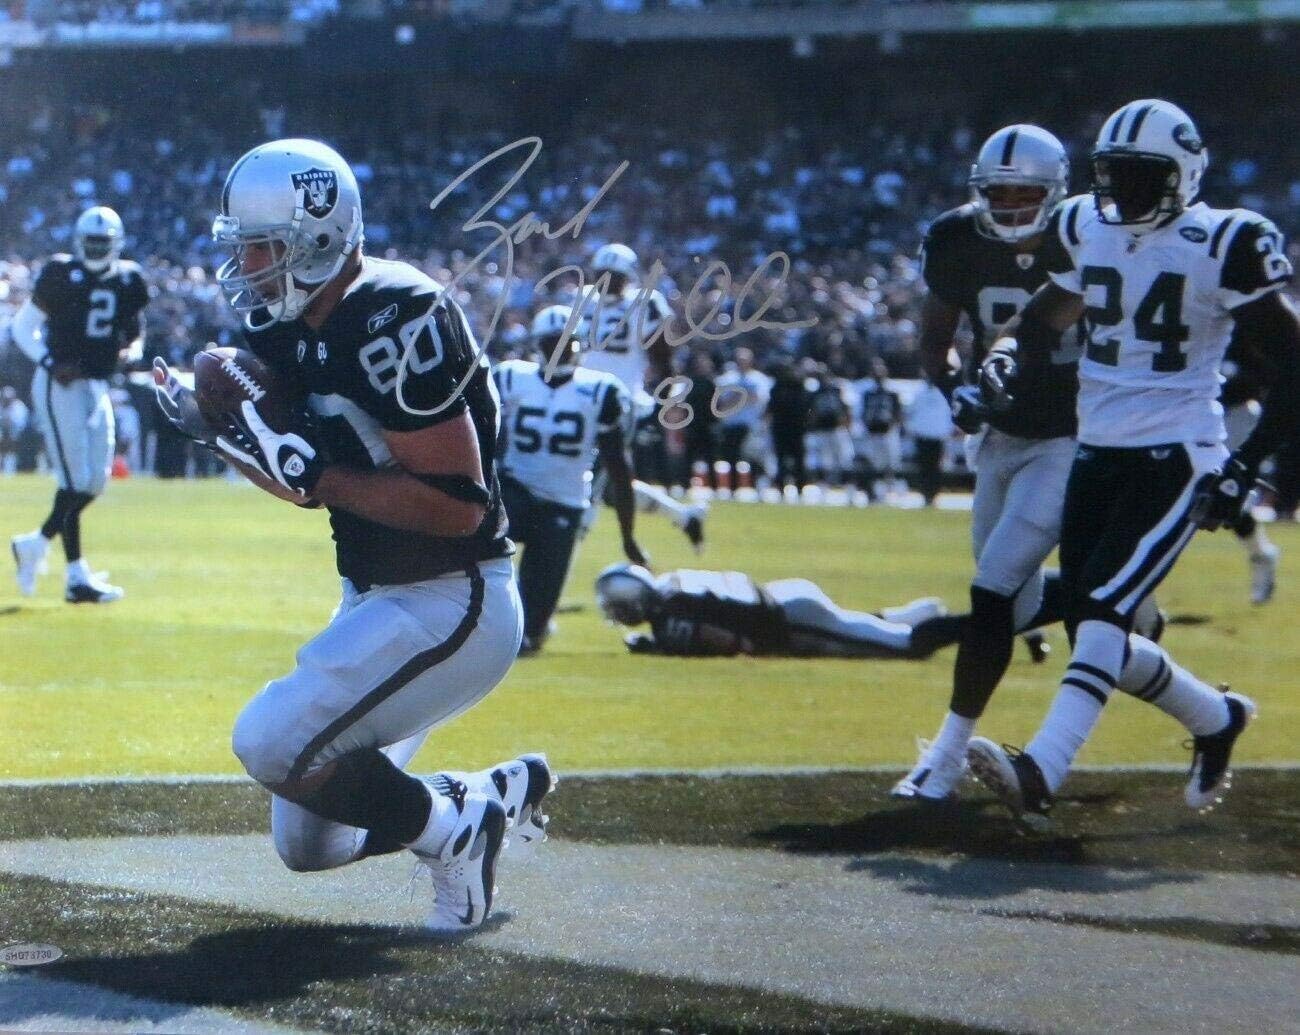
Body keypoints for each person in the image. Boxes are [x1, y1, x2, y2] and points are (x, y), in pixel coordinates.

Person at [152, 139, 552, 933]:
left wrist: (322, 477)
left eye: (263, 245)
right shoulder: (288, 324)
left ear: (319, 237)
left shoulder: (395, 314)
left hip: (454, 600)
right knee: (311, 844)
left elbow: (460, 506)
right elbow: (305, 484)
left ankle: (455, 830)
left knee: (271, 740)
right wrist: (226, 436)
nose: (248, 265)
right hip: (375, 598)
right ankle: (473, 799)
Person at [966, 101, 1298, 826]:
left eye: (1140, 175)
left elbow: (1294, 361)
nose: (1123, 190)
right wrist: (1004, 354)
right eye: (1113, 173)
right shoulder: (1086, 224)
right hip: (1096, 450)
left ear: (1181, 173)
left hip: (1176, 452)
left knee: (1103, 614)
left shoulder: (1224, 240)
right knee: (1095, 623)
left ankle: (1041, 770)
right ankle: (1216, 717)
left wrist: (1244, 465)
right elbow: (1044, 314)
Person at [9, 206, 148, 603]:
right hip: (60, 384)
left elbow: (135, 330)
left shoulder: (129, 278)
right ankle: (75, 577)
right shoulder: (60, 272)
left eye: (103, 243)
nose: (97, 248)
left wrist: (133, 351)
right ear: (78, 242)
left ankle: (36, 543)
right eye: (91, 242)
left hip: (97, 383)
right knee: (74, 480)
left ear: (116, 244)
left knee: (94, 480)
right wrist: (50, 362)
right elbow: (23, 328)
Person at [495, 304, 647, 654]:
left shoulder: (600, 390)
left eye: (567, 342)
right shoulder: (510, 377)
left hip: (563, 503)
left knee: (531, 633)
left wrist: (628, 535)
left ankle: (533, 624)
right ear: (537, 344)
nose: (560, 349)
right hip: (514, 492)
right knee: (474, 562)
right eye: (552, 342)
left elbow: (618, 468)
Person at [575, 242, 705, 549]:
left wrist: (667, 397)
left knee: (590, 482)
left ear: (628, 277)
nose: (606, 280)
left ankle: (564, 557)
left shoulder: (645, 302)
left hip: (620, 405)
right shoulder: (583, 298)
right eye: (601, 273)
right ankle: (685, 516)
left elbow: (662, 357)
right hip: (580, 400)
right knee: (610, 489)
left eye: (613, 275)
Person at [596, 562, 957, 658]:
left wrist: (663, 647)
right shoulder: (669, 583)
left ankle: (967, 627)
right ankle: (912, 614)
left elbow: (734, 643)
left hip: (791, 618)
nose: (617, 615)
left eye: (618, 607)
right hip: (783, 594)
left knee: (905, 648)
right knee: (847, 628)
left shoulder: (668, 618)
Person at [1218, 343, 1280, 603]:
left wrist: (1231, 376)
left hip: (1237, 412)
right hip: (1184, 413)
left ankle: (1261, 552)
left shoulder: (1245, 328)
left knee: (1224, 493)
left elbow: (1268, 372)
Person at [714, 347, 771, 493]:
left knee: (754, 458)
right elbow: (721, 405)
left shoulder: (759, 379)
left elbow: (760, 400)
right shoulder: (726, 379)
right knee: (732, 457)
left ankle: (755, 488)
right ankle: (733, 488)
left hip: (752, 425)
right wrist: (742, 397)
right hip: (732, 423)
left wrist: (740, 397)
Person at [855, 357, 904, 501]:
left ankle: (891, 492)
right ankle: (876, 491)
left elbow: (898, 412)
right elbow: (863, 413)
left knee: (891, 464)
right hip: (872, 433)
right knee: (874, 464)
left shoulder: (892, 392)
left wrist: (893, 427)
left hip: (888, 432)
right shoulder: (867, 393)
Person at [766, 359, 809, 497]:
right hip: (783, 428)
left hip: (795, 428)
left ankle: (799, 487)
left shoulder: (798, 387)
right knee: (784, 460)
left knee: (797, 460)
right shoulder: (777, 388)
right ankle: (782, 486)